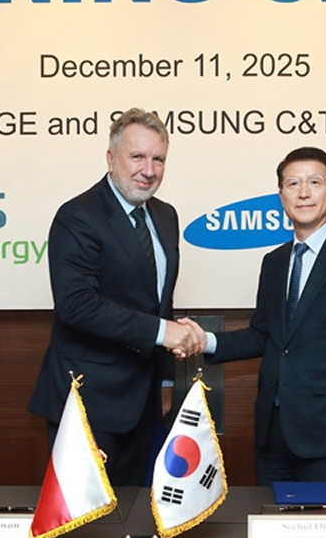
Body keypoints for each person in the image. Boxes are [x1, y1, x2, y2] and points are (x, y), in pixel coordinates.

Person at [181, 146, 326, 485]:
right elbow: (265, 335)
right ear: (281, 195)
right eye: (293, 184)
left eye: (314, 182)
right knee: (272, 534)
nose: (303, 193)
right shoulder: (274, 262)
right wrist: (206, 340)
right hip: (272, 435)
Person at [28, 107, 205, 486]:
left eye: (158, 159)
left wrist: (165, 383)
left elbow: (159, 303)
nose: (149, 169)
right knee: (86, 532)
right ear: (111, 158)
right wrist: (163, 331)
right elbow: (77, 306)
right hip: (88, 402)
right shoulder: (77, 216)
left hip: (144, 403)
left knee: (136, 521)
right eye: (137, 157)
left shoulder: (165, 216)